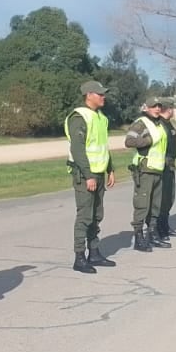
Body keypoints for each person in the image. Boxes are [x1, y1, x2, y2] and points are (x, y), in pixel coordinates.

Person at [66, 80, 117, 273]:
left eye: (103, 94)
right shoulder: (79, 117)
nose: (103, 97)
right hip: (85, 174)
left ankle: (94, 252)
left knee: (97, 214)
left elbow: (103, 146)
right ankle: (79, 257)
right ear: (88, 95)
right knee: (85, 216)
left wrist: (110, 168)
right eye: (100, 94)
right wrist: (88, 175)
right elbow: (78, 149)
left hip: (99, 172)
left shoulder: (100, 117)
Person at [124, 102, 171, 251]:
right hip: (145, 169)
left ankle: (153, 234)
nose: (157, 109)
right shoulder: (141, 123)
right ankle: (139, 238)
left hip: (158, 169)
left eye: (159, 106)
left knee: (155, 205)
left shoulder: (159, 124)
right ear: (147, 108)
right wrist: (147, 141)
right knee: (142, 205)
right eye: (153, 106)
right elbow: (129, 141)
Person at [156, 103, 176, 240]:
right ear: (168, 109)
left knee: (169, 197)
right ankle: (159, 229)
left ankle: (165, 226)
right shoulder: (159, 124)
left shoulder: (168, 123)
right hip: (162, 164)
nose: (173, 111)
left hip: (170, 163)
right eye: (172, 108)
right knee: (162, 199)